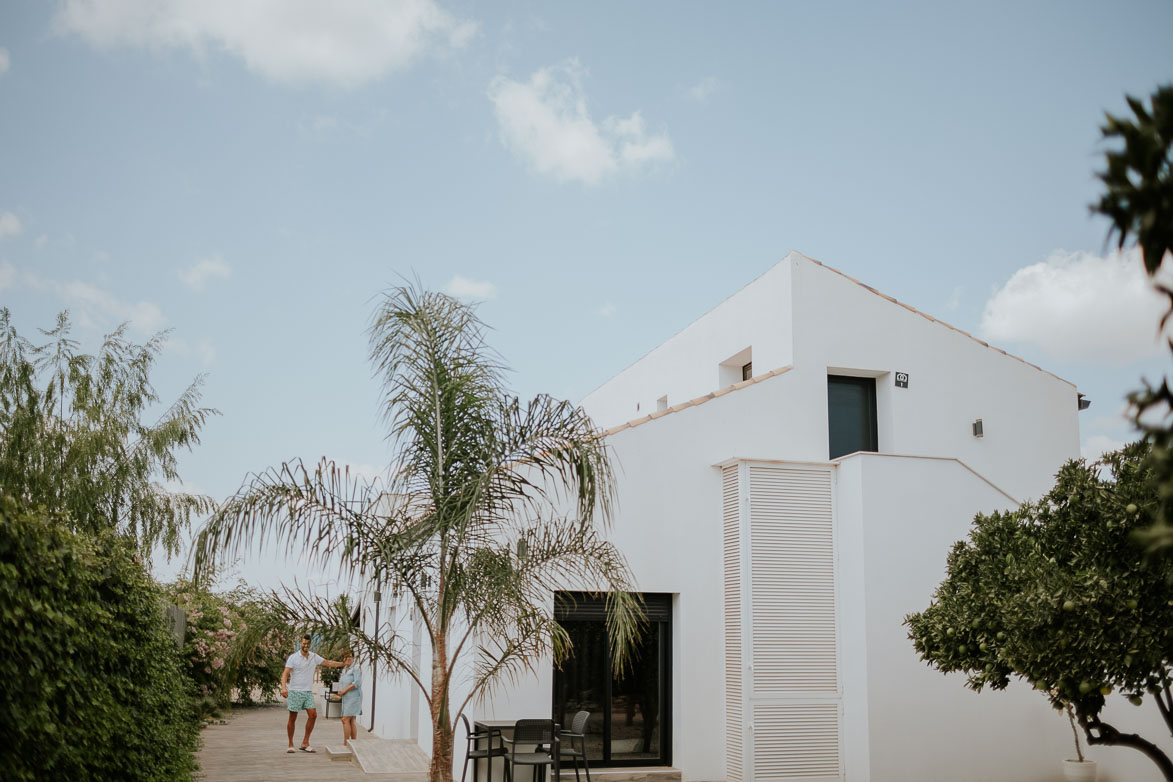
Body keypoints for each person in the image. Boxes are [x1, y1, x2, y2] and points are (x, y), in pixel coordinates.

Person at [280, 635, 345, 753]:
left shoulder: (314, 657)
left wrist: (343, 664)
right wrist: (284, 688)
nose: (305, 646)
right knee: (292, 718)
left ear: (310, 644)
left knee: (313, 715)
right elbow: (285, 674)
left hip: (308, 692)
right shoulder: (293, 658)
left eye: (308, 644)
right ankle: (290, 744)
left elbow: (327, 662)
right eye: (304, 643)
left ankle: (305, 742)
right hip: (295, 691)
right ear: (300, 643)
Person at [335, 649, 362, 747]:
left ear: (353, 658)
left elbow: (357, 683)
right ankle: (354, 743)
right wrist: (340, 690)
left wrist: (345, 690)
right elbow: (343, 681)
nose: (348, 659)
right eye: (346, 657)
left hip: (354, 697)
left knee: (345, 719)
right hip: (346, 697)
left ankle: (346, 744)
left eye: (350, 657)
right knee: (351, 720)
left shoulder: (356, 668)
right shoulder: (345, 669)